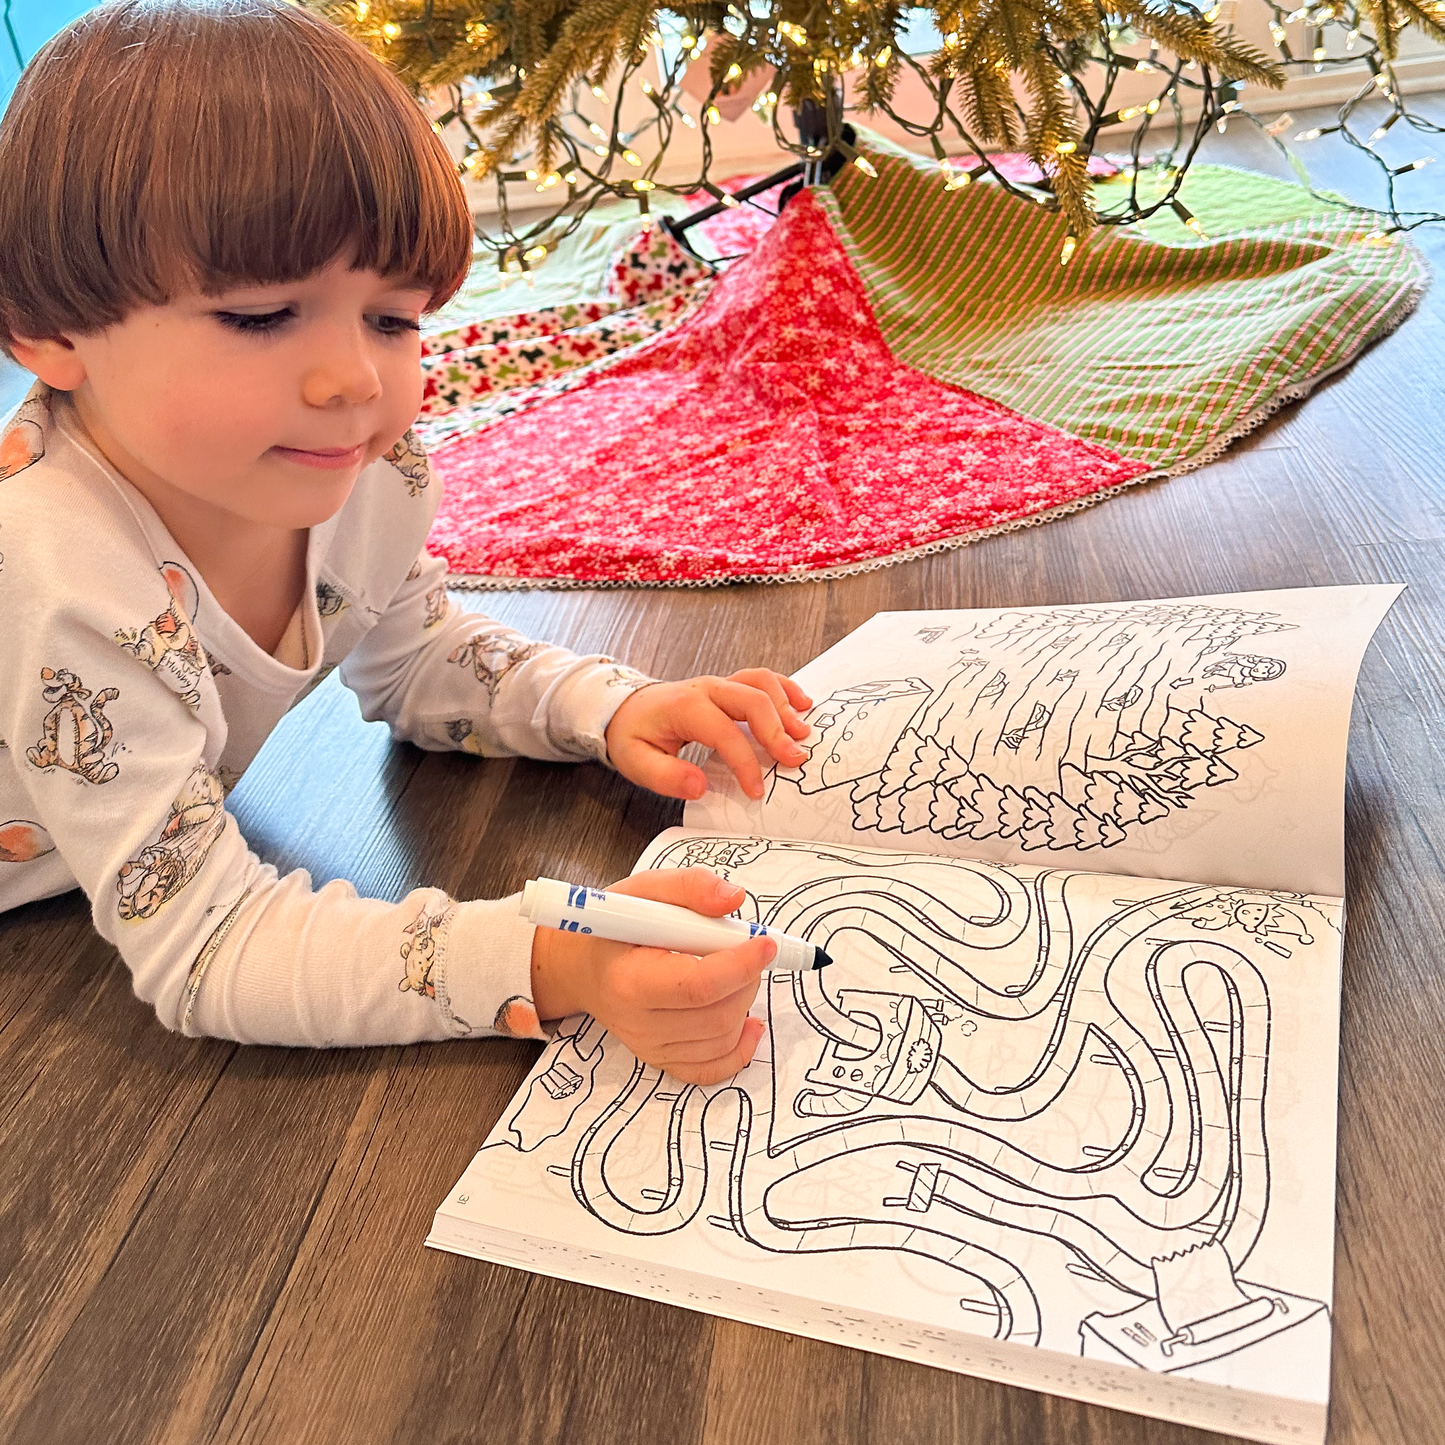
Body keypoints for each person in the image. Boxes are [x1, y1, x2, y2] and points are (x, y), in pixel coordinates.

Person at [0, 0, 812, 1085]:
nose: (354, 379)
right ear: (49, 334)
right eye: (260, 316)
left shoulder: (366, 470)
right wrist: (545, 959)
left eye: (392, 319)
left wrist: (605, 705)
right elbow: (209, 943)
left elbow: (414, 653)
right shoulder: (61, 573)